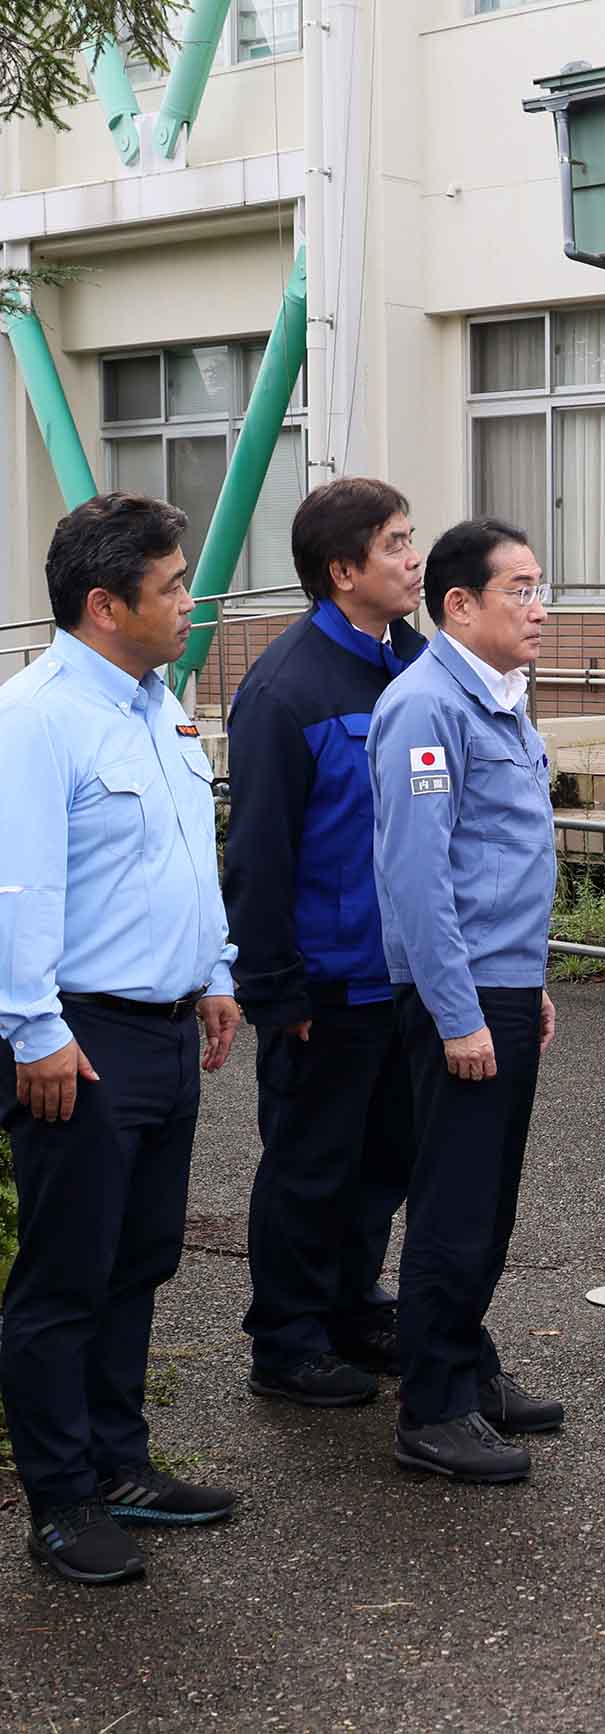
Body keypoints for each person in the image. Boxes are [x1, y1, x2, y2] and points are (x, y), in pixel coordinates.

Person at [0, 493, 245, 1584]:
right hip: (78, 1038)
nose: (192, 603)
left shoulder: (157, 705)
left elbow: (180, 860)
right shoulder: (37, 715)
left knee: (138, 1260)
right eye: (174, 586)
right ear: (107, 605)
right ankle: (58, 1500)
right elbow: (13, 889)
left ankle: (119, 1463)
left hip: (161, 1026)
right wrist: (34, 1031)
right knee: (64, 1276)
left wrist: (216, 975)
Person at [225, 479, 428, 1408]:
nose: (412, 558)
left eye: (410, 539)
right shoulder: (285, 688)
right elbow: (258, 855)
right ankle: (287, 1339)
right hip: (327, 983)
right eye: (393, 545)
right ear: (343, 572)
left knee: (385, 1159)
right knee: (309, 1167)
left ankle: (353, 1304)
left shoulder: (418, 665)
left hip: (404, 980)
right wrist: (274, 989)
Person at [369, 517, 562, 1484]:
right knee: (451, 1203)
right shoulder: (425, 708)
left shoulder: (498, 696)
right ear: (460, 605)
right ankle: (433, 1406)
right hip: (462, 996)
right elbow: (417, 880)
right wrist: (460, 1013)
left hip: (503, 984)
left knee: (489, 1199)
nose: (540, 607)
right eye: (519, 589)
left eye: (539, 586)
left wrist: (528, 983)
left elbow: (504, 861)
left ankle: (467, 1367)